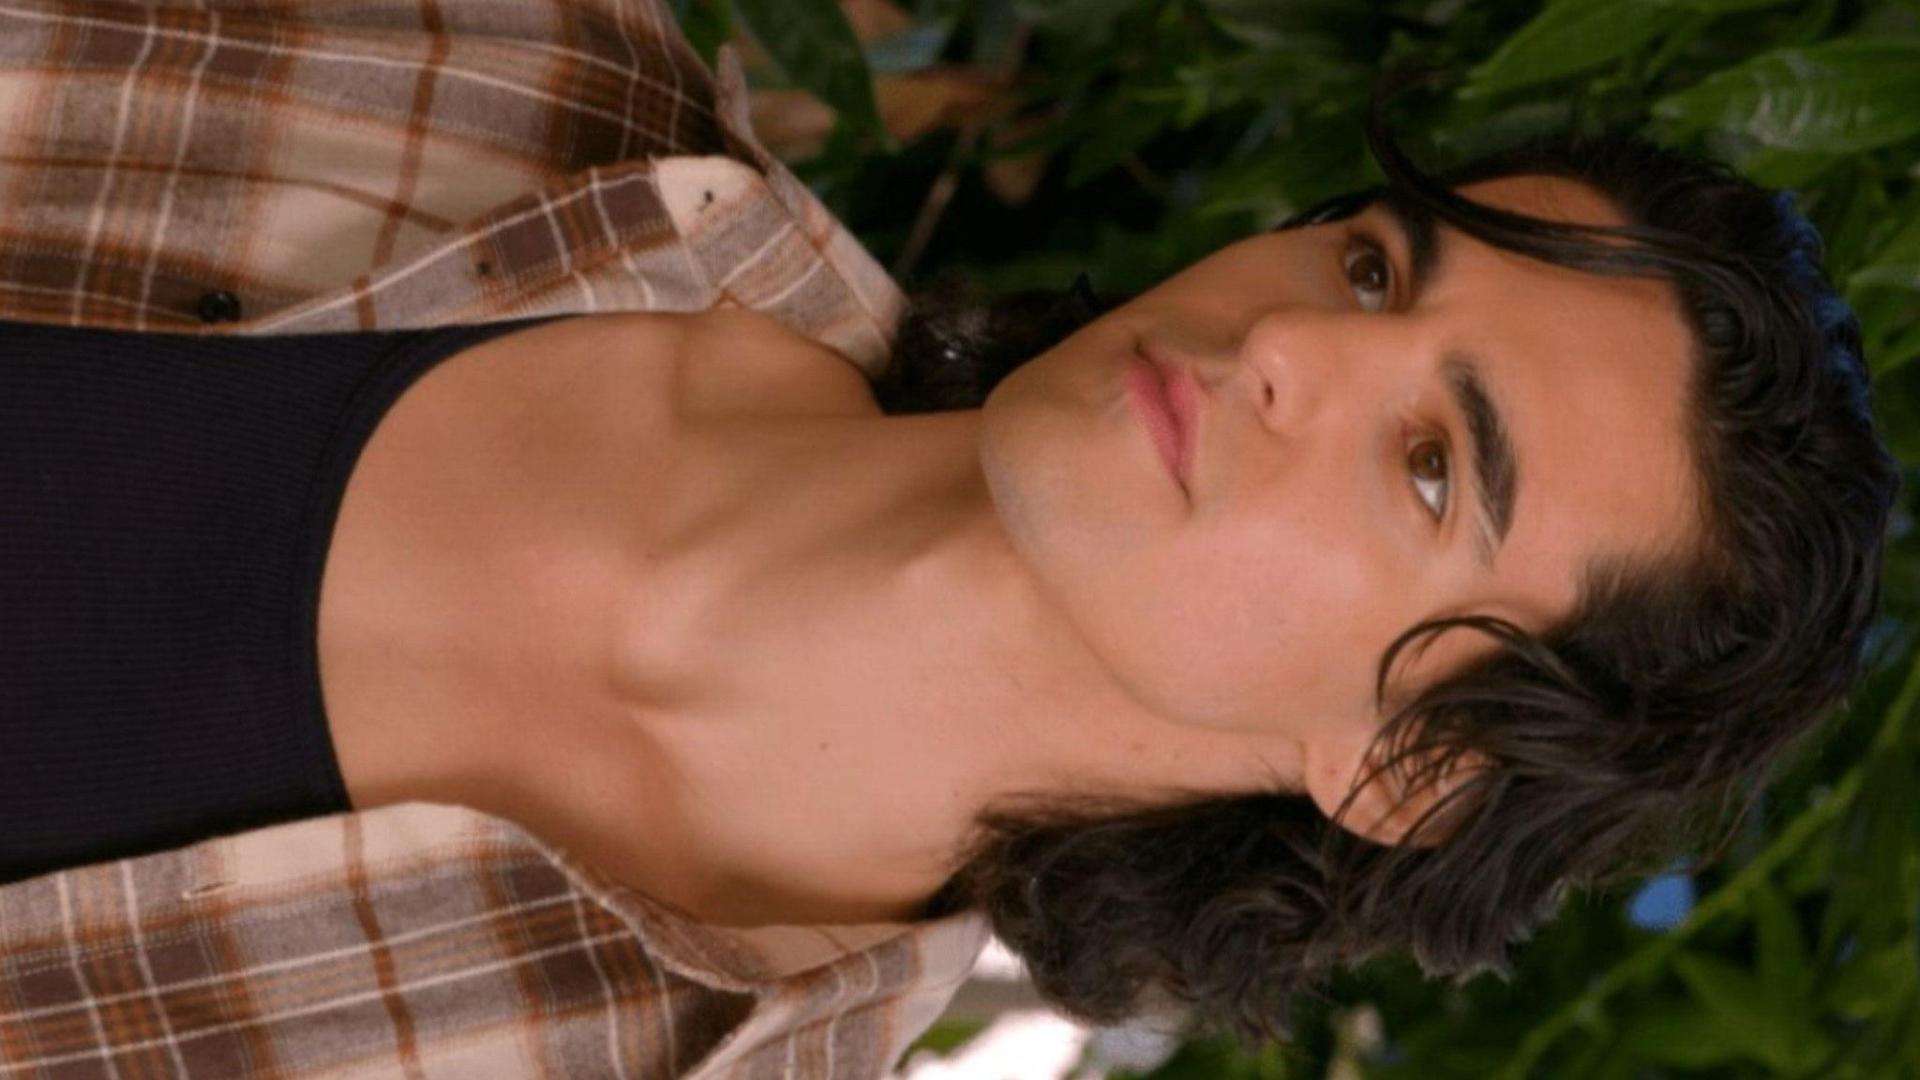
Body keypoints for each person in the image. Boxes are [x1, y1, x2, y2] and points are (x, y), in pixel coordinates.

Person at [0, 7, 1895, 1065]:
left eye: (1429, 468)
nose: (1294, 343)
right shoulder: (520, 62)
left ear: (1409, 768)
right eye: (1377, 267)